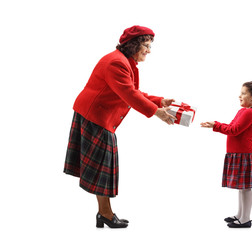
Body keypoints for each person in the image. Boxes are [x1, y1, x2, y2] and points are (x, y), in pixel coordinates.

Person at [63, 25, 176, 228]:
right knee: (102, 170)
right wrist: (156, 112)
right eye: (146, 45)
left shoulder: (123, 61)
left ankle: (104, 213)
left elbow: (131, 91)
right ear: (133, 45)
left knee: (102, 170)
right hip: (96, 117)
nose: (149, 51)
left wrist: (160, 101)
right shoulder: (116, 63)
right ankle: (105, 214)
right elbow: (129, 95)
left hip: (98, 115)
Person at [201, 81, 252, 228]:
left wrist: (215, 125)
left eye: (244, 93)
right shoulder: (243, 111)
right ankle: (240, 215)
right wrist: (216, 125)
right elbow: (232, 127)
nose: (240, 96)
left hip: (243, 155)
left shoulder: (251, 112)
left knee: (245, 188)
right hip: (237, 154)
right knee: (242, 187)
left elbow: (234, 130)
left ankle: (245, 219)